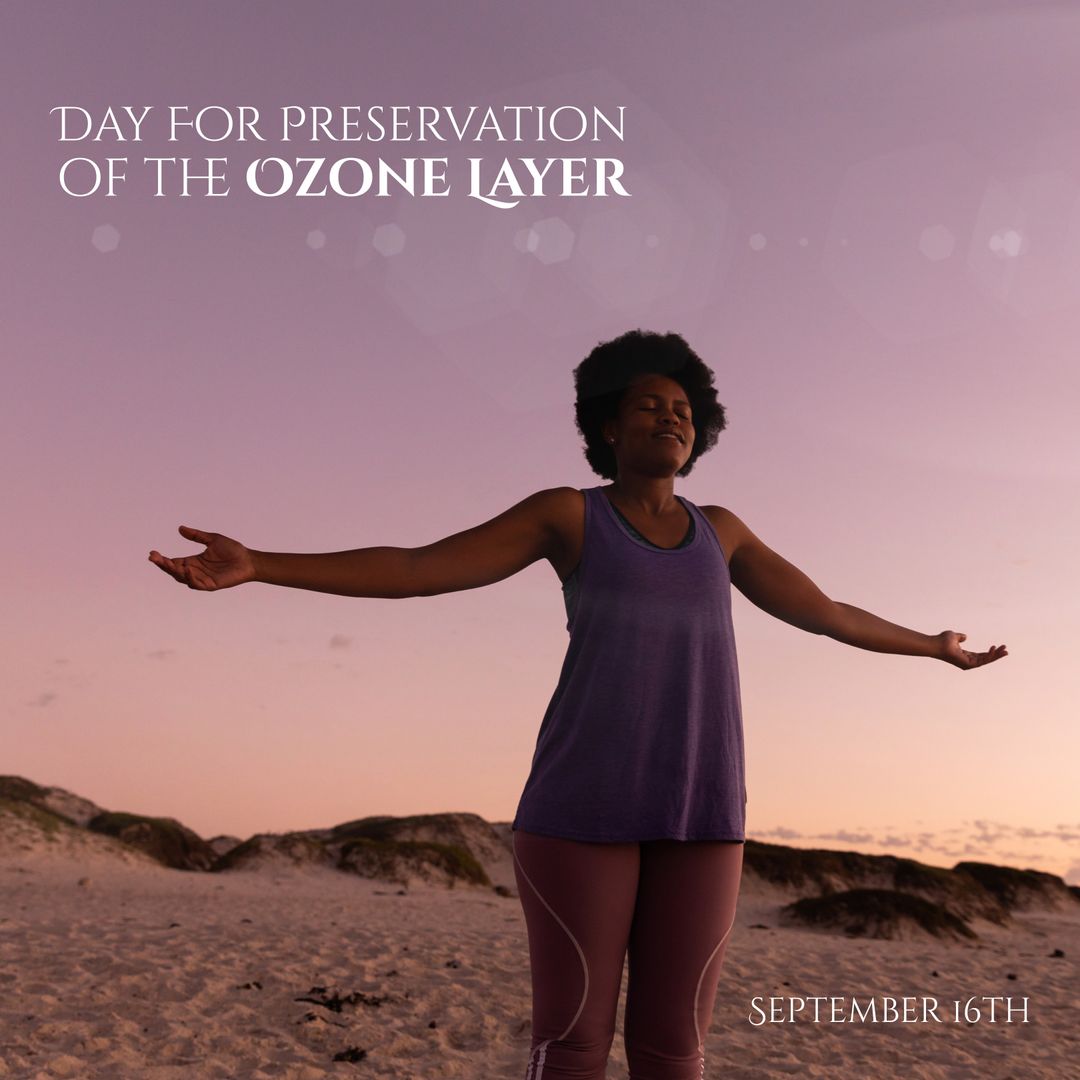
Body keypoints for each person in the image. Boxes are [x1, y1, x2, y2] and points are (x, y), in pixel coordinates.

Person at [148, 329, 1007, 1080]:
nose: (667, 416)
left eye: (680, 408)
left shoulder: (725, 531)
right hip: (578, 811)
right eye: (644, 405)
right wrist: (263, 562)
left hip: (704, 813)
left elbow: (828, 613)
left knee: (675, 1049)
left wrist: (934, 647)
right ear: (606, 427)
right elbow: (416, 569)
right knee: (573, 1046)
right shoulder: (570, 516)